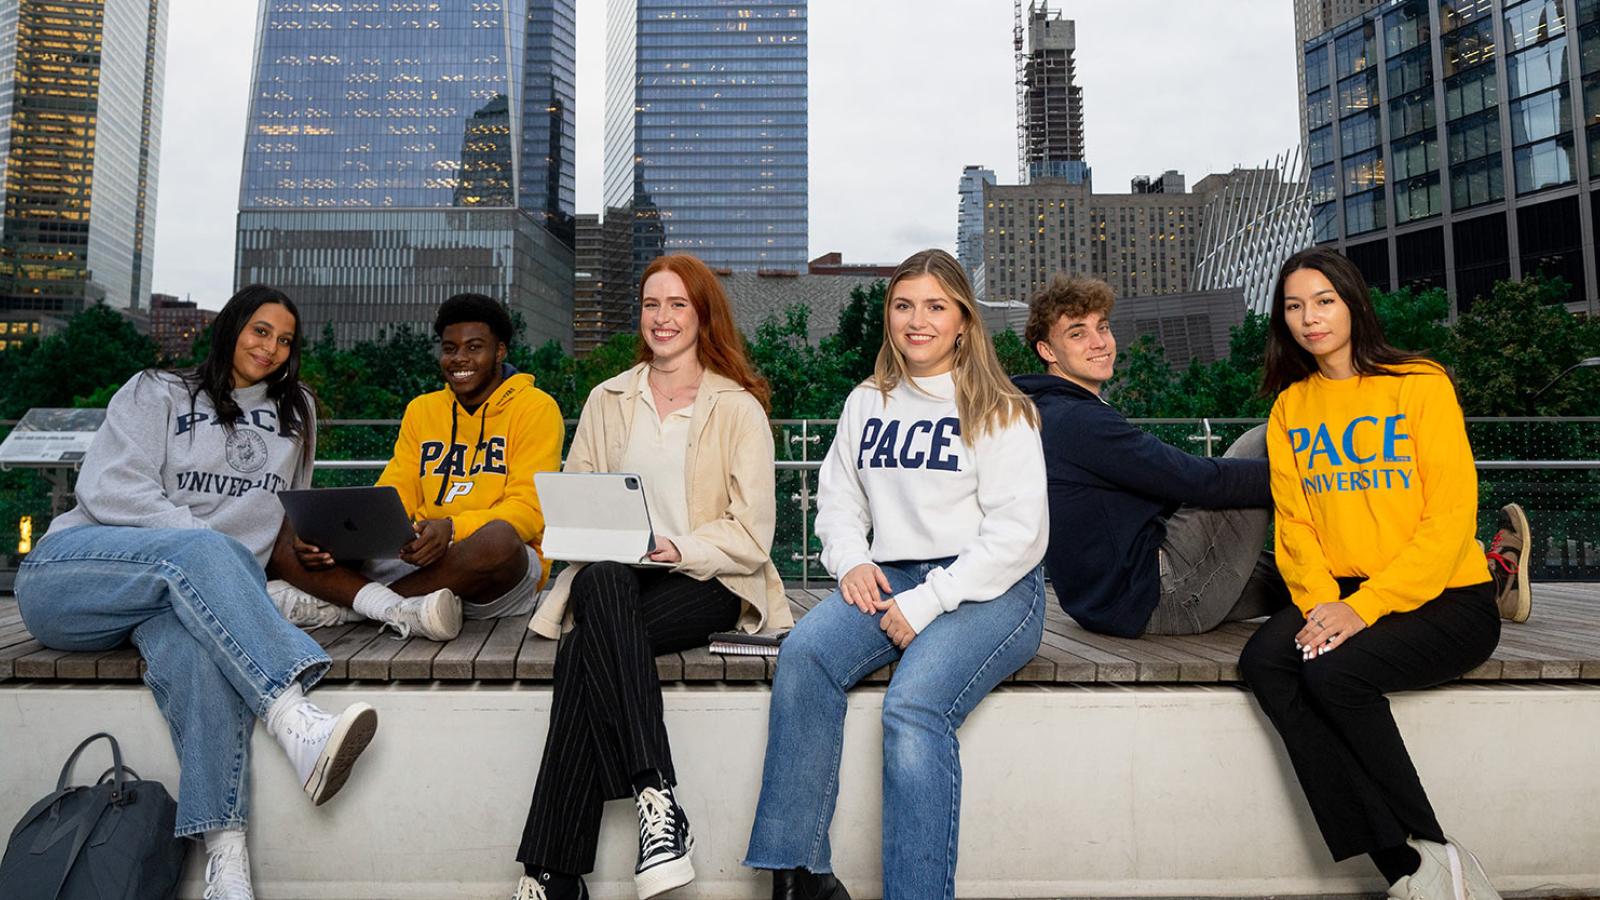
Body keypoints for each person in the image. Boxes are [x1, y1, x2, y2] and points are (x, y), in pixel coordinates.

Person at [13, 286, 380, 900]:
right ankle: (292, 717)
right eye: (260, 331)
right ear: (233, 328)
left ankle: (226, 864)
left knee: (197, 659)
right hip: (74, 576)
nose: (271, 348)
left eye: (285, 340)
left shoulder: (298, 414)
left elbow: (283, 516)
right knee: (204, 552)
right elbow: (111, 489)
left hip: (179, 596)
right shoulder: (156, 390)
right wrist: (209, 549)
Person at [743, 248, 1048, 900]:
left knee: (913, 707)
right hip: (896, 575)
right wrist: (851, 560)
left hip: (992, 588)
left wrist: (932, 600)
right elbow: (840, 499)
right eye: (904, 306)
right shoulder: (868, 401)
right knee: (805, 655)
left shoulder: (1002, 408)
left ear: (963, 319)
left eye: (936, 307)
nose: (918, 321)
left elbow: (1018, 537)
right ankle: (801, 875)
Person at [1238, 248, 1530, 898]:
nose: (1309, 318)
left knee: (1333, 672)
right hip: (1343, 592)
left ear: (1352, 303)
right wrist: (1320, 607)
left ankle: (1434, 856)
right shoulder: (1292, 408)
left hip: (1446, 599)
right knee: (1265, 662)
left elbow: (1450, 519)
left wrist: (1361, 610)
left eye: (1323, 301)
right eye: (1294, 306)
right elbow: (1296, 528)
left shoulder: (1419, 383)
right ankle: (1407, 868)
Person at [512, 254, 792, 900]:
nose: (661, 319)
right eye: (651, 304)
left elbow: (752, 535)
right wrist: (605, 536)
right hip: (617, 577)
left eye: (677, 305)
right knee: (603, 582)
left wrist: (679, 546)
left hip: (710, 579)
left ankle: (553, 875)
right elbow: (573, 504)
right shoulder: (607, 399)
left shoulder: (737, 408)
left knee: (586, 646)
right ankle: (656, 797)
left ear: (702, 315)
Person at [267, 293, 564, 641]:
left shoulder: (536, 408)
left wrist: (452, 529)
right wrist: (363, 531)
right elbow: (398, 488)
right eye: (450, 348)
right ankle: (393, 607)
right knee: (296, 532)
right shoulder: (423, 410)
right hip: (417, 561)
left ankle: (349, 606)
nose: (459, 359)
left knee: (499, 540)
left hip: (491, 573)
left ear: (499, 351)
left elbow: (528, 511)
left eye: (474, 347)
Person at [1013, 274, 1289, 636]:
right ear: (1047, 351)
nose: (1099, 343)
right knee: (1265, 440)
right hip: (1159, 598)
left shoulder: (1051, 410)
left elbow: (1157, 488)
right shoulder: (1077, 420)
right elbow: (1194, 480)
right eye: (1077, 333)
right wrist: (1304, 476)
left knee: (1298, 579)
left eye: (1103, 327)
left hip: (1108, 602)